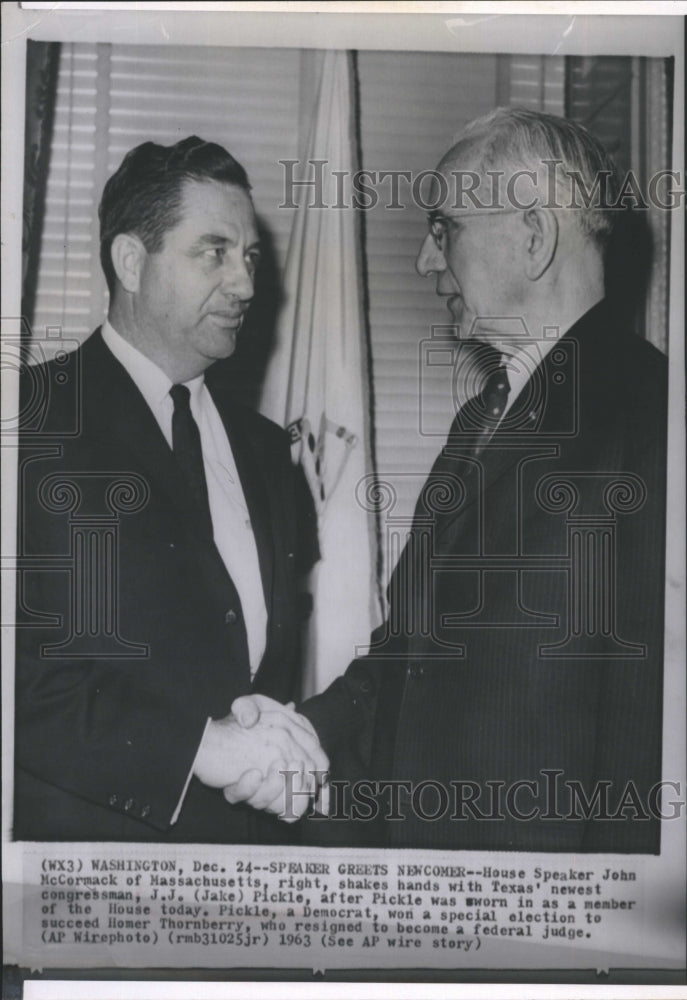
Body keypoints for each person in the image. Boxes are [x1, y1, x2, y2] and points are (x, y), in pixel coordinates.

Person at [231, 108, 667, 853]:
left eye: (446, 230)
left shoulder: (654, 417)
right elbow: (410, 653)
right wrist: (298, 736)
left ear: (532, 237)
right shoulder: (478, 422)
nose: (426, 264)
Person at [14, 135, 327, 843]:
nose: (246, 285)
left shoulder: (267, 451)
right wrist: (196, 749)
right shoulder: (27, 423)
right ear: (131, 261)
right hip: (85, 881)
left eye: (248, 257)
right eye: (212, 252)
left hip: (245, 874)